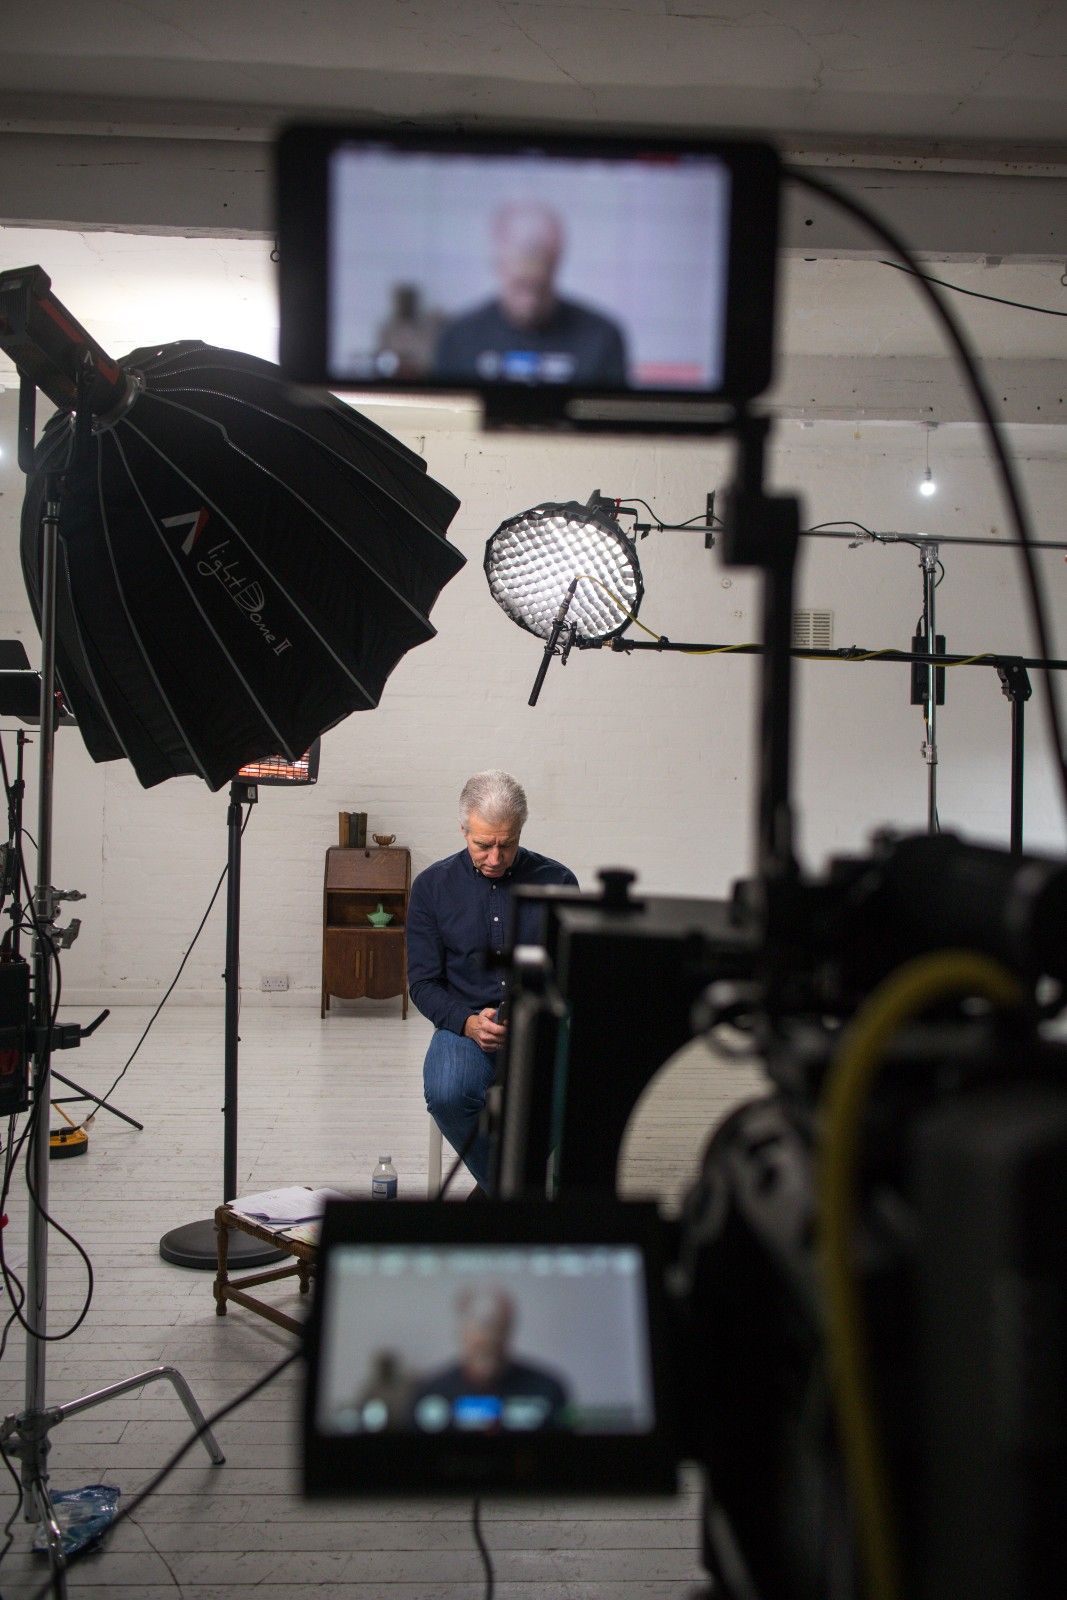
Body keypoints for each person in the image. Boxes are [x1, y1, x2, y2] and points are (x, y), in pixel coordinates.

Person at [406, 771, 578, 1192]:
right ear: (463, 829)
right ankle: (516, 1194)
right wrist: (467, 1023)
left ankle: (497, 1195)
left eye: (508, 843)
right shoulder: (431, 888)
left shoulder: (558, 882)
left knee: (582, 1094)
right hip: (465, 1023)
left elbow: (573, 973)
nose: (496, 858)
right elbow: (423, 984)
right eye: (483, 845)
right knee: (448, 1094)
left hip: (542, 1022)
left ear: (521, 831)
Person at [432, 202, 628, 386]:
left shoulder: (602, 338)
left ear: (556, 264)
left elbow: (607, 416)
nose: (530, 302)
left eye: (538, 286)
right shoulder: (458, 338)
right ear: (498, 265)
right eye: (520, 285)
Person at [411, 1286, 570, 1431]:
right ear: (462, 1331)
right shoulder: (431, 1393)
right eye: (482, 1326)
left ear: (509, 1330)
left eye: (498, 1328)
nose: (489, 1340)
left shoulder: (548, 1391)